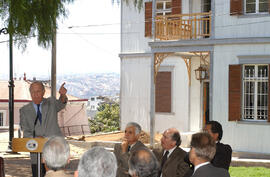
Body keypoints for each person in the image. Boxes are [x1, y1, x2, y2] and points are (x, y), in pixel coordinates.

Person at [20, 81, 68, 177]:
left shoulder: (51, 102)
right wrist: (35, 138)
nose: (35, 94)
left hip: (55, 151)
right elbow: (26, 131)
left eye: (38, 91)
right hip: (36, 153)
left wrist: (62, 95)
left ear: (43, 92)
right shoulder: (24, 110)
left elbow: (61, 103)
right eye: (33, 92)